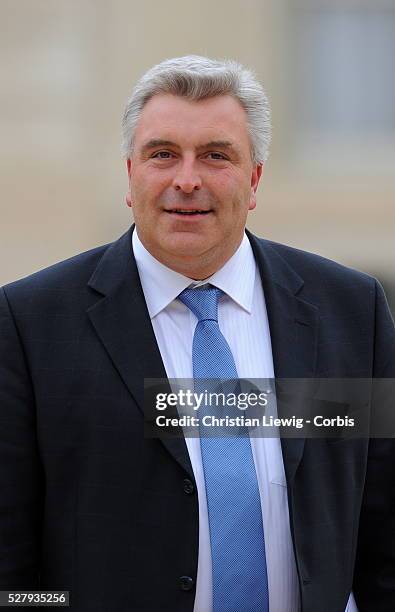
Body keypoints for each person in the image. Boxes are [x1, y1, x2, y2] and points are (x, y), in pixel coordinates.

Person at [0, 55, 394, 612]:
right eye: (163, 155)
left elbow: (384, 535)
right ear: (130, 174)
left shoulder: (350, 312)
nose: (188, 180)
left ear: (254, 178)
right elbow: (10, 565)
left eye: (216, 156)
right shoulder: (30, 322)